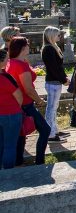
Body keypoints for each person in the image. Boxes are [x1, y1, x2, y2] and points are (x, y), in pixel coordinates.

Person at [8, 37, 51, 165]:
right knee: (45, 130)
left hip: (17, 104)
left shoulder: (12, 62)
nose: (29, 46)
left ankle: (18, 161)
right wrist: (39, 100)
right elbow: (28, 89)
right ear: (23, 48)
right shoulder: (21, 65)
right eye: (27, 44)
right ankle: (39, 161)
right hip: (26, 104)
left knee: (21, 134)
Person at [41, 26, 69, 143]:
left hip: (55, 82)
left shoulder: (53, 47)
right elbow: (54, 68)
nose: (60, 36)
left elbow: (59, 67)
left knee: (54, 108)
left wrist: (64, 78)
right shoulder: (48, 49)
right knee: (51, 109)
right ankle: (50, 134)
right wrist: (63, 79)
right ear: (51, 36)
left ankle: (54, 130)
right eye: (58, 35)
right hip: (53, 82)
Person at [0, 49, 23, 169]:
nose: (8, 61)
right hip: (10, 114)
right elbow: (19, 96)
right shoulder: (5, 78)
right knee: (10, 146)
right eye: (6, 59)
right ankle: (9, 173)